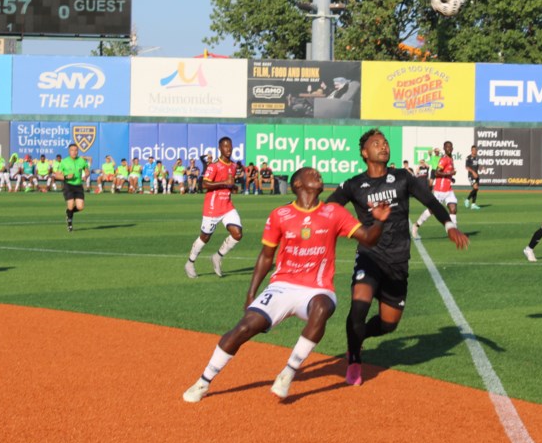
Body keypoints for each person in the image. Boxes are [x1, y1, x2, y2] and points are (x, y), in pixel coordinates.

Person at [182, 167, 391, 403]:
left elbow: (369, 238)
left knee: (322, 308)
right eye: (311, 173)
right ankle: (203, 381)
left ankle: (288, 373)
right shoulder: (280, 215)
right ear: (298, 184)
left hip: (317, 288)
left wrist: (379, 221)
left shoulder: (334, 212)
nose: (318, 175)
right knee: (244, 328)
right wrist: (251, 293)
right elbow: (266, 256)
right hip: (282, 286)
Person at [326, 129, 469, 386]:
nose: (383, 146)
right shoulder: (353, 185)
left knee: (388, 324)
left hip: (398, 260)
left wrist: (449, 225)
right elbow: (329, 210)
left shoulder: (403, 178)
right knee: (359, 305)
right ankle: (355, 360)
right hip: (369, 255)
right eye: (376, 143)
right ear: (364, 152)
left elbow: (431, 200)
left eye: (385, 143)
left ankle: (358, 337)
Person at [184, 136, 243, 279]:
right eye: (225, 146)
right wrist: (224, 183)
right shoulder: (214, 166)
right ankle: (190, 262)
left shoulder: (234, 166)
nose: (228, 149)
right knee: (205, 237)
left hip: (227, 206)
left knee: (237, 233)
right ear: (220, 148)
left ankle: (217, 256)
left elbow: (229, 184)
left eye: (230, 146)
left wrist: (233, 187)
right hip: (212, 207)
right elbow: (204, 184)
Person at [411, 141, 459, 238]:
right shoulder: (444, 159)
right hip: (440, 190)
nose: (449, 148)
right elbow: (437, 173)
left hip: (448, 190)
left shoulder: (451, 159)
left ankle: (454, 231)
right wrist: (450, 174)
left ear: (452, 148)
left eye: (450, 147)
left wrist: (451, 178)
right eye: (447, 147)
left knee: (453, 209)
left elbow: (446, 173)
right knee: (432, 210)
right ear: (444, 149)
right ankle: (416, 225)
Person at [53, 143, 89, 232]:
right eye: (72, 150)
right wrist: (66, 177)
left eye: (76, 150)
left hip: (78, 186)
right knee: (70, 205)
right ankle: (69, 224)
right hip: (68, 185)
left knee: (80, 207)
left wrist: (86, 175)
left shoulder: (82, 161)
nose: (74, 152)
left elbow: (87, 171)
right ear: (69, 151)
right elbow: (57, 175)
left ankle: (69, 213)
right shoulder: (64, 162)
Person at [465, 145, 481, 210]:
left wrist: (481, 167)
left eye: (476, 150)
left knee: (476, 189)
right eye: (474, 150)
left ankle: (473, 204)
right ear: (471, 150)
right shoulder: (468, 157)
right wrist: (473, 172)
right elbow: (467, 167)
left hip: (476, 175)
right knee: (475, 187)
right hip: (471, 175)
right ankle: (467, 199)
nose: (475, 151)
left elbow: (477, 166)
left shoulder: (477, 158)